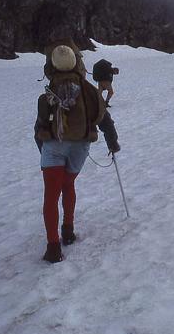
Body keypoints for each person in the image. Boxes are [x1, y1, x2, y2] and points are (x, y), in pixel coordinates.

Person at [34, 42, 120, 263]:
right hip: (80, 146)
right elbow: (104, 119)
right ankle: (68, 231)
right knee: (68, 185)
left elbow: (39, 129)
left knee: (51, 196)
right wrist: (113, 143)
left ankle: (53, 248)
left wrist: (44, 153)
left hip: (54, 146)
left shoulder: (47, 94)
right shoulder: (89, 90)